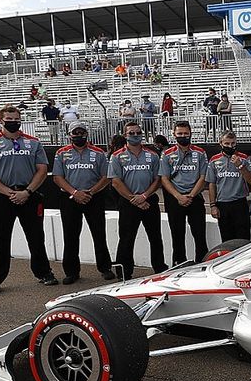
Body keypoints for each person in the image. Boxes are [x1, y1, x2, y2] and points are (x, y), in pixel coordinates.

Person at [0, 106, 58, 296]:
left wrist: (27, 191)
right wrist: (8, 192)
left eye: (16, 118)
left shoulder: (33, 142)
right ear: (1, 121)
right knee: (0, 240)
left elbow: (42, 170)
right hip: (2, 196)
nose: (13, 121)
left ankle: (44, 272)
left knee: (36, 237)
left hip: (29, 195)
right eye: (9, 118)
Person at [52, 122, 116, 284]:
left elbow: (106, 176)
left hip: (93, 197)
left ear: (87, 134)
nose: (79, 135)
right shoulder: (61, 153)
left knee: (99, 234)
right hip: (70, 198)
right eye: (76, 132)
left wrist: (91, 192)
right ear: (69, 135)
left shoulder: (99, 153)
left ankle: (105, 268)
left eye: (82, 132)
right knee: (70, 236)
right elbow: (57, 178)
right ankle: (71, 272)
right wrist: (75, 193)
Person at [108, 121, 168, 280]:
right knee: (126, 238)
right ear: (125, 135)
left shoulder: (153, 155)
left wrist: (144, 196)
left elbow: (158, 180)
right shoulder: (117, 156)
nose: (135, 135)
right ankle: (123, 272)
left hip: (149, 201)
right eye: (131, 133)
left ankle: (160, 268)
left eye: (138, 133)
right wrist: (133, 199)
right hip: (128, 203)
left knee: (155, 237)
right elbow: (115, 182)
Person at [159, 121, 209, 265]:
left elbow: (203, 177)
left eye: (186, 133)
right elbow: (164, 178)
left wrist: (191, 195)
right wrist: (178, 196)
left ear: (191, 133)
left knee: (200, 236)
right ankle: (179, 264)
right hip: (175, 199)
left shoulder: (200, 153)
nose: (183, 136)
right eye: (180, 134)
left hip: (195, 198)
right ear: (174, 134)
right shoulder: (167, 154)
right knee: (177, 236)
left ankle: (202, 265)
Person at [207, 131, 251, 242]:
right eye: (227, 143)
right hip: (222, 205)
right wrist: (213, 205)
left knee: (243, 239)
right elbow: (211, 184)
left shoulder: (243, 158)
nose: (230, 146)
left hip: (240, 203)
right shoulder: (214, 160)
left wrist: (240, 166)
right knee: (226, 239)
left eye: (233, 143)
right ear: (221, 143)